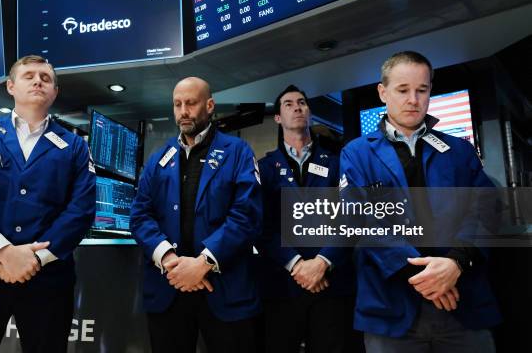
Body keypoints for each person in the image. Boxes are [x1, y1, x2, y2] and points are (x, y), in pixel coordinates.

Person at [339, 51, 501, 352]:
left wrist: (457, 262)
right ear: (383, 92)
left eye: (422, 90)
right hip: (391, 310)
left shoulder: (459, 150)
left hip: (462, 303)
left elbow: (485, 209)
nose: (413, 99)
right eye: (403, 90)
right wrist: (427, 279)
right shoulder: (356, 153)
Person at [0, 55, 96, 352]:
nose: (38, 80)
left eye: (46, 78)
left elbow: (80, 211)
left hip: (47, 283)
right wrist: (3, 252)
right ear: (11, 86)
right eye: (29, 75)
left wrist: (33, 259)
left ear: (55, 93)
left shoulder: (76, 147)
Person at [130, 76, 262, 353]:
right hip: (169, 286)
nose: (183, 111)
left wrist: (203, 263)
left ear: (210, 105)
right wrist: (169, 259)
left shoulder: (237, 151)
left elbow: (246, 214)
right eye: (177, 104)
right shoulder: (159, 156)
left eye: (191, 103)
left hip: (224, 289)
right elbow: (140, 214)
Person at [257, 85, 362, 353]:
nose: (297, 107)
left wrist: (322, 262)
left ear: (310, 113)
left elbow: (350, 217)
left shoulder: (338, 163)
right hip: (282, 286)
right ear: (278, 118)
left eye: (302, 102)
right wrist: (296, 265)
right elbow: (261, 226)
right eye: (289, 104)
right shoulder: (264, 168)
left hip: (332, 284)